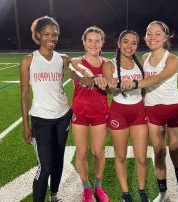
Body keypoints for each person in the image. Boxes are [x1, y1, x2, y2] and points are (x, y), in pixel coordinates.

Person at [122, 21, 178, 202]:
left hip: (175, 110)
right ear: (145, 37)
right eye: (149, 34)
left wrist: (134, 84)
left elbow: (158, 78)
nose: (153, 37)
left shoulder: (173, 59)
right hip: (152, 111)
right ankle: (163, 193)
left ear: (165, 37)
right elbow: (143, 88)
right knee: (159, 154)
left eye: (158, 34)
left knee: (176, 153)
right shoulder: (143, 58)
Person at [20, 16, 84, 202]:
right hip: (41, 120)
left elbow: (74, 73)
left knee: (58, 161)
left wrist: (83, 78)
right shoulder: (28, 61)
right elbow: (24, 96)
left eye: (55, 34)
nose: (51, 38)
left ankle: (54, 195)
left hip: (63, 116)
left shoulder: (62, 59)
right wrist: (26, 126)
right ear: (38, 35)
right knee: (45, 166)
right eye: (47, 34)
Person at [102, 30, 150, 202]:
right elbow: (108, 89)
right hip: (118, 113)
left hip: (138, 112)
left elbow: (144, 87)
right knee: (120, 156)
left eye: (134, 43)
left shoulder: (141, 63)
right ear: (119, 44)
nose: (129, 46)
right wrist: (114, 85)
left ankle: (142, 190)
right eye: (126, 42)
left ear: (137, 45)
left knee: (141, 157)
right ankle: (125, 193)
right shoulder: (110, 64)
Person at [70, 26, 109, 202]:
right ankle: (86, 187)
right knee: (81, 153)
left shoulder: (108, 64)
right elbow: (78, 69)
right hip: (80, 114)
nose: (94, 44)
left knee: (98, 152)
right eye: (90, 40)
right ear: (84, 42)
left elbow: (110, 85)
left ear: (102, 43)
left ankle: (98, 187)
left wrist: (107, 83)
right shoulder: (76, 61)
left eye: (97, 40)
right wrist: (90, 76)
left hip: (100, 114)